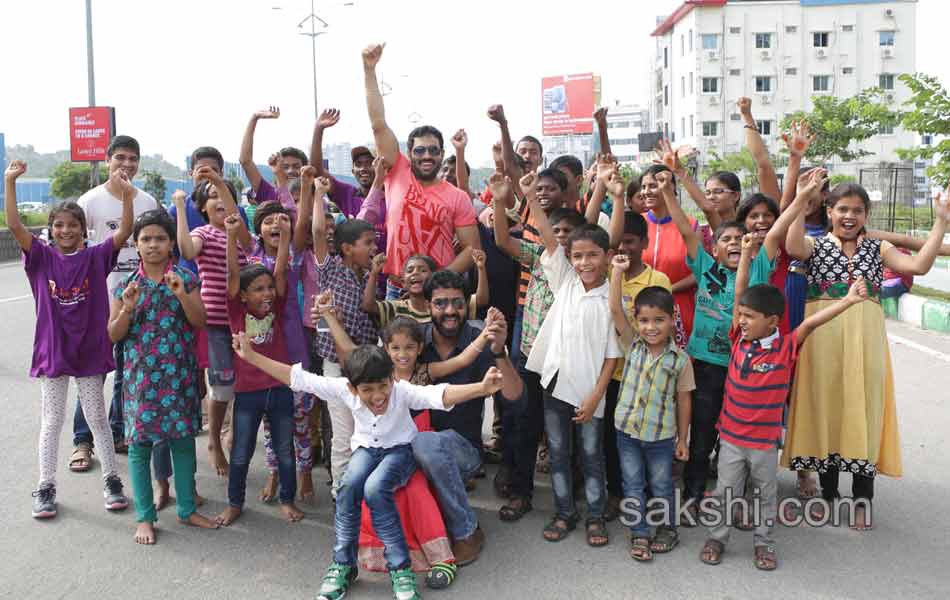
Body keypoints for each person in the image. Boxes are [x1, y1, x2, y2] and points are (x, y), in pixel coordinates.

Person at [232, 332, 505, 600]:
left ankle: (400, 569)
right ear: (352, 388)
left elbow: (440, 395)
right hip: (366, 450)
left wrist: (481, 388)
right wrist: (253, 356)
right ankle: (344, 565)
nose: (377, 397)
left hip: (400, 452)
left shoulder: (401, 391)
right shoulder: (344, 389)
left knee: (374, 489)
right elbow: (299, 378)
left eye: (383, 386)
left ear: (391, 379)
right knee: (348, 486)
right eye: (367, 390)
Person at [783, 181, 950, 531]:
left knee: (864, 411)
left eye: (857, 210)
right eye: (842, 209)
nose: (849, 216)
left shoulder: (878, 247)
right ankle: (829, 496)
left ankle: (862, 500)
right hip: (822, 343)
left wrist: (941, 222)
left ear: (865, 215)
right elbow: (792, 245)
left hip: (866, 342)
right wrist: (800, 198)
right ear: (828, 212)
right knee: (826, 411)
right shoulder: (814, 246)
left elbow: (918, 266)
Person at [700, 233, 870, 570]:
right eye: (742, 316)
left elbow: (811, 322)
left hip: (763, 444)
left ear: (773, 322)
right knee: (725, 493)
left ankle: (764, 544)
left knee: (765, 496)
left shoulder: (786, 347)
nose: (742, 321)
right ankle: (716, 538)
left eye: (750, 317)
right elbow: (738, 292)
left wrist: (848, 301)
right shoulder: (739, 338)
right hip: (731, 441)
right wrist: (747, 254)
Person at [316, 297, 499, 590]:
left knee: (415, 490)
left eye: (409, 347)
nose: (402, 354)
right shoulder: (375, 372)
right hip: (381, 452)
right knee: (363, 483)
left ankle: (440, 556)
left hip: (415, 449)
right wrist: (327, 314)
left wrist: (485, 335)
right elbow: (349, 353)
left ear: (419, 349)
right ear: (385, 349)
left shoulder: (425, 372)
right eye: (395, 348)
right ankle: (353, 561)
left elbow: (461, 364)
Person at [6, 159, 130, 519]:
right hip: (54, 349)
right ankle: (46, 486)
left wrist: (124, 195)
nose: (65, 230)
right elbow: (14, 224)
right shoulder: (41, 258)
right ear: (50, 229)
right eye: (58, 225)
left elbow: (124, 231)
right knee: (52, 420)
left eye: (72, 225)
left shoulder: (95, 257)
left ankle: (111, 480)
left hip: (89, 349)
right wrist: (10, 182)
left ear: (83, 229)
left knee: (97, 419)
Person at [656, 166, 776, 517]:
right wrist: (667, 190)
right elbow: (684, 229)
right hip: (705, 367)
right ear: (715, 247)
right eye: (725, 240)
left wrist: (799, 196)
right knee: (702, 436)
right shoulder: (706, 269)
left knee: (736, 443)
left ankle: (732, 503)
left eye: (741, 240)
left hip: (743, 368)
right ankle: (692, 498)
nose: (733, 244)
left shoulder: (757, 270)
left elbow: (779, 226)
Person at [108, 209, 219, 543]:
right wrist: (127, 307)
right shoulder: (126, 286)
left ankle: (187, 508)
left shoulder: (186, 278)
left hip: (179, 377)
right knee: (140, 447)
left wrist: (182, 294)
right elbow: (114, 334)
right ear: (136, 245)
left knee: (183, 443)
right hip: (140, 380)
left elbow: (200, 321)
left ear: (171, 243)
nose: (153, 245)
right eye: (146, 239)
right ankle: (145, 517)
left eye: (159, 238)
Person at [489, 172, 586, 521]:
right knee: (524, 424)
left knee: (565, 433)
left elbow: (550, 243)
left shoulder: (577, 269)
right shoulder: (536, 259)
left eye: (566, 233)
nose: (558, 239)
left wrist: (530, 197)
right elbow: (502, 240)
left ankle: (571, 496)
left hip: (563, 363)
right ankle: (521, 491)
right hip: (531, 357)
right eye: (554, 231)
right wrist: (500, 201)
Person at [525, 207, 623, 545]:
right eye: (578, 256)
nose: (584, 263)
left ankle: (595, 516)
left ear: (608, 257)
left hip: (590, 392)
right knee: (557, 452)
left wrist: (597, 395)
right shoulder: (564, 281)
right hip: (554, 384)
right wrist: (530, 196)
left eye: (592, 255)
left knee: (592, 455)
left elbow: (613, 355)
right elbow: (550, 242)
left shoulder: (611, 297)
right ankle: (564, 511)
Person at [413, 270, 524, 565]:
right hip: (411, 446)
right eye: (441, 303)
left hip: (462, 450)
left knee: (427, 444)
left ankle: (467, 531)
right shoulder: (413, 342)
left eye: (457, 303)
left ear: (467, 304)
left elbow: (514, 396)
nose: (450, 311)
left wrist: (499, 351)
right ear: (427, 307)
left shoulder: (480, 338)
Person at [361, 43, 481, 298]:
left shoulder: (456, 196)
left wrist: (434, 283)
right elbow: (378, 124)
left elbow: (472, 249)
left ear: (441, 154)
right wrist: (369, 70)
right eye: (419, 151)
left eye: (433, 150)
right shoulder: (397, 172)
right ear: (409, 154)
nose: (426, 156)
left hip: (440, 291)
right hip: (396, 287)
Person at [69, 135, 159, 470]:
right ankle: (82, 441)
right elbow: (75, 253)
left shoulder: (148, 202)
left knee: (126, 372)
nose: (126, 165)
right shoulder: (90, 201)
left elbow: (158, 251)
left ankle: (118, 431)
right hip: (97, 303)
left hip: (136, 304)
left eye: (133, 159)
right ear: (108, 160)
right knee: (93, 375)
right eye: (120, 157)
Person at [217, 213, 302, 525]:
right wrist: (229, 235)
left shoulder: (276, 307)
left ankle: (287, 499)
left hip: (279, 388)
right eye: (258, 289)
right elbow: (232, 274)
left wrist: (287, 235)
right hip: (248, 394)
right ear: (243, 295)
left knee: (285, 451)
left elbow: (280, 270)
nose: (266, 294)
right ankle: (235, 503)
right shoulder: (236, 311)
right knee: (240, 453)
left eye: (268, 288)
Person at [607, 269, 692, 562]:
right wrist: (616, 271)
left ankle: (668, 529)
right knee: (631, 483)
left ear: (672, 319)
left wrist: (683, 439)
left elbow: (683, 400)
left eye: (659, 320)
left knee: (662, 485)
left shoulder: (680, 360)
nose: (651, 327)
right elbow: (616, 308)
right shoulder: (632, 344)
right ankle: (639, 533)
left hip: (661, 437)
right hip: (627, 433)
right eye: (644, 320)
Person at [174, 172, 253, 477]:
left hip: (246, 322)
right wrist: (181, 208)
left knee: (245, 384)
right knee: (221, 388)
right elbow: (186, 251)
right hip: (217, 323)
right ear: (203, 207)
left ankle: (233, 434)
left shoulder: (243, 233)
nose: (219, 200)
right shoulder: (204, 233)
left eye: (224, 194)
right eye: (212, 195)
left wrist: (220, 183)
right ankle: (214, 441)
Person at [306, 168, 379, 496]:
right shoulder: (330, 268)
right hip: (336, 363)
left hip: (364, 362)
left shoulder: (368, 276)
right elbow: (319, 230)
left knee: (365, 427)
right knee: (343, 429)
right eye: (367, 243)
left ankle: (362, 485)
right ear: (346, 248)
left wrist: (375, 275)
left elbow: (368, 310)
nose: (373, 247)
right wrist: (319, 194)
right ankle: (341, 490)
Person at [602, 212, 673, 521]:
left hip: (646, 376)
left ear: (644, 243)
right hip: (612, 372)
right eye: (618, 243)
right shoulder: (605, 272)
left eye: (630, 242)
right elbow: (613, 310)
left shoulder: (658, 280)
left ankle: (648, 497)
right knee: (612, 439)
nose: (624, 249)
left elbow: (663, 324)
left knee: (648, 440)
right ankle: (618, 493)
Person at [246, 202, 317, 503]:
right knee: (269, 420)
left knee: (300, 419)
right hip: (264, 349)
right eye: (268, 221)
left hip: (294, 346)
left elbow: (282, 278)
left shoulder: (298, 258)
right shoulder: (252, 259)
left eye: (282, 220)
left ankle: (305, 472)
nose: (276, 225)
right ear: (258, 229)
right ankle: (274, 470)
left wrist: (289, 237)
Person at [362, 251, 487, 328]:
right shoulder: (395, 308)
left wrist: (481, 268)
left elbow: (481, 300)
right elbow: (368, 306)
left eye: (422, 270)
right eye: (410, 271)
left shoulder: (446, 303)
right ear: (403, 282)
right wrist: (374, 274)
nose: (415, 273)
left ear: (433, 278)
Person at [239, 105, 307, 215]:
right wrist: (255, 117)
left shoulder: (315, 197)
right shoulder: (269, 193)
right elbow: (245, 161)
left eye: (296, 166)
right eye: (285, 167)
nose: (290, 171)